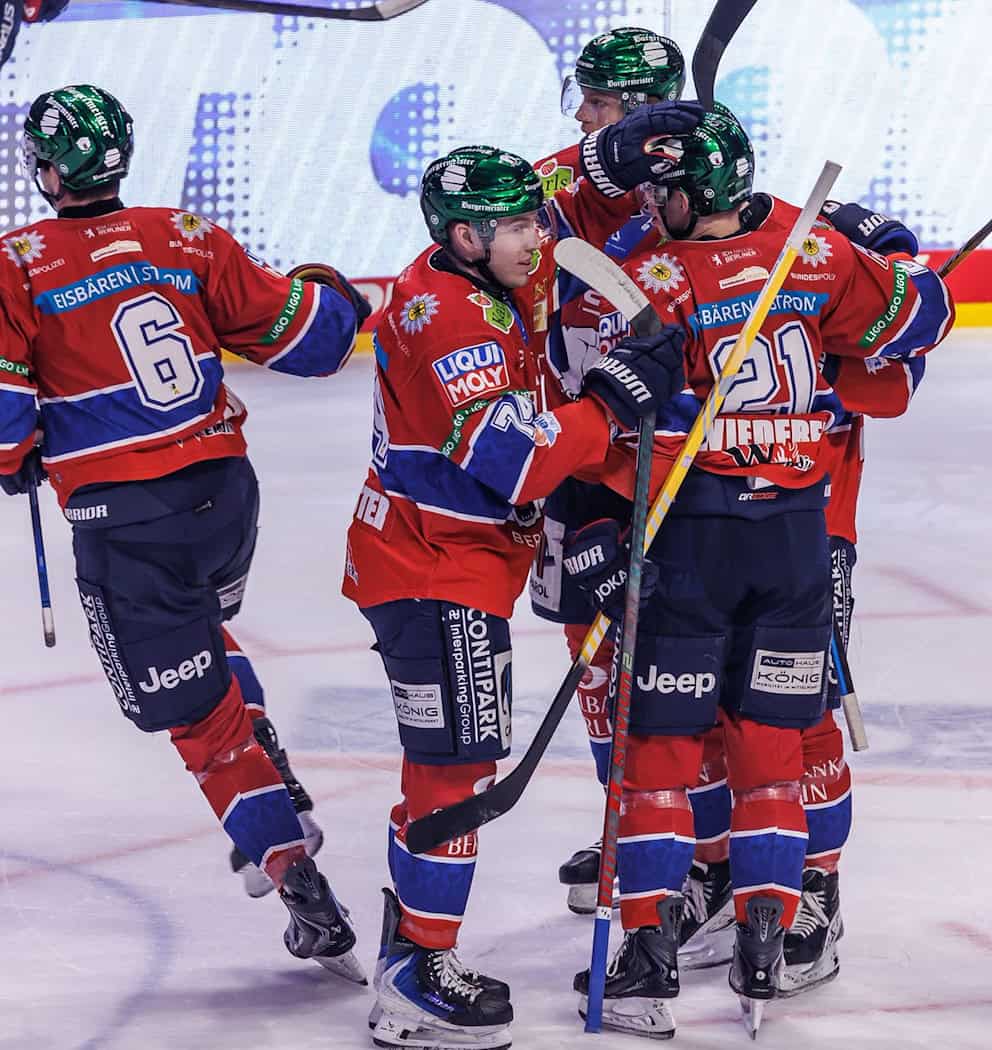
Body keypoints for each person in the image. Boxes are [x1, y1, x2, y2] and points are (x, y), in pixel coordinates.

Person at [565, 103, 955, 1037]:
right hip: (796, 545)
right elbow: (920, 319)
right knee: (774, 756)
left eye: (663, 187)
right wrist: (897, 263)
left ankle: (650, 962)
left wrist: (595, 521)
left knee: (657, 758)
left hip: (691, 543)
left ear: (694, 190)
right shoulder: (813, 253)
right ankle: (764, 946)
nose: (651, 202)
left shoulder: (646, 278)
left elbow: (605, 413)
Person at [0, 84, 370, 982]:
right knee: (204, 632)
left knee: (197, 723)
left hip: (128, 523)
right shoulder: (186, 234)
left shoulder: (15, 262)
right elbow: (311, 341)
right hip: (224, 498)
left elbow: (5, 428)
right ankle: (267, 754)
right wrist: (331, 290)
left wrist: (20, 458)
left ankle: (296, 878)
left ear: (47, 170)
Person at [343, 132, 696, 1049]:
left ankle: (412, 955)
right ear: (464, 239)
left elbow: (573, 227)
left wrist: (617, 155)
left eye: (532, 220)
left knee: (455, 760)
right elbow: (514, 461)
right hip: (431, 569)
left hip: (445, 565)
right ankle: (417, 972)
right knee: (456, 767)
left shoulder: (486, 281)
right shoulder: (450, 317)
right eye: (513, 226)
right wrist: (617, 403)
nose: (536, 238)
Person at [531, 24, 687, 916]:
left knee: (675, 660)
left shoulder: (706, 186)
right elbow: (542, 187)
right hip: (582, 450)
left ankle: (697, 841)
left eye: (600, 102)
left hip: (675, 466)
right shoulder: (566, 181)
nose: (583, 117)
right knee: (589, 649)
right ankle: (627, 820)